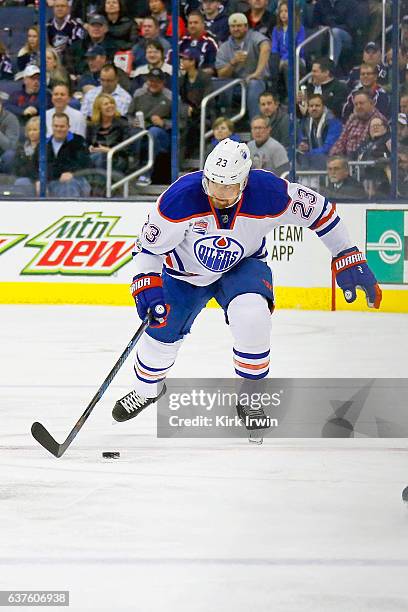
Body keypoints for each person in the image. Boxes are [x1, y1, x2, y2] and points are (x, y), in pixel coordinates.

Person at [111, 138, 382, 435]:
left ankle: (250, 397)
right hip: (183, 273)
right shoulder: (179, 198)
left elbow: (320, 211)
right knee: (159, 336)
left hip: (242, 266)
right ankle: (147, 391)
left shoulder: (269, 192)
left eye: (228, 187)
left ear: (244, 180)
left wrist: (345, 253)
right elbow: (147, 249)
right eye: (214, 184)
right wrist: (146, 283)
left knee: (252, 314)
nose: (219, 194)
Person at [215, 13, 270, 120]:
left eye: (239, 26)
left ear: (246, 26)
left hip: (258, 82)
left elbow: (266, 47)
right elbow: (221, 74)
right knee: (218, 85)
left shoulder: (254, 36)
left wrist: (257, 73)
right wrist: (233, 62)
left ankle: (255, 124)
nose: (236, 29)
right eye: (233, 26)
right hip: (236, 86)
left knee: (254, 83)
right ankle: (224, 126)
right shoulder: (224, 47)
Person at [127, 67, 172, 186]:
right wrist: (133, 122)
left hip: (162, 133)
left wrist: (163, 123)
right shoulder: (139, 94)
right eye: (151, 81)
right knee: (135, 133)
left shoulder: (170, 97)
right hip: (141, 129)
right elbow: (128, 115)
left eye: (157, 81)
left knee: (153, 133)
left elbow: (180, 122)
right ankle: (133, 170)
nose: (153, 84)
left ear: (163, 83)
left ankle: (146, 173)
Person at [33, 112, 91, 197]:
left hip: (75, 179)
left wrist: (72, 173)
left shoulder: (78, 141)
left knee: (68, 185)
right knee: (23, 183)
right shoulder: (43, 144)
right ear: (52, 126)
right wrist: (38, 180)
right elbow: (35, 166)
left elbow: (85, 163)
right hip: (50, 180)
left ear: (68, 127)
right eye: (56, 126)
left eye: (62, 126)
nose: (58, 129)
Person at [330, 91, 387, 159]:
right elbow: (341, 142)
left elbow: (375, 146)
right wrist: (333, 157)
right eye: (356, 104)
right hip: (347, 161)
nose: (358, 106)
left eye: (361, 103)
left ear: (371, 104)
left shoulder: (378, 120)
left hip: (366, 161)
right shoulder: (352, 119)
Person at [179, 48, 213, 158]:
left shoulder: (205, 78)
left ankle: (189, 155)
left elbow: (208, 100)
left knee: (194, 126)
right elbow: (181, 99)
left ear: (193, 61)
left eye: (185, 59)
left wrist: (194, 110)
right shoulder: (182, 80)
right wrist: (185, 108)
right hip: (188, 115)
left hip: (204, 114)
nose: (182, 62)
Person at [87, 93, 129, 173]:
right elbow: (87, 143)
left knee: (101, 157)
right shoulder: (92, 125)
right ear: (99, 109)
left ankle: (99, 184)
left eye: (112, 103)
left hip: (117, 158)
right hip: (96, 156)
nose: (110, 106)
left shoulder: (123, 123)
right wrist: (90, 148)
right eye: (106, 104)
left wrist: (109, 150)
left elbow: (127, 149)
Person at [298, 93, 342, 169]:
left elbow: (328, 148)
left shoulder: (333, 122)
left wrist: (309, 152)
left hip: (330, 160)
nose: (314, 108)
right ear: (308, 108)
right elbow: (301, 140)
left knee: (318, 158)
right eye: (311, 106)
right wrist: (302, 146)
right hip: (312, 159)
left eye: (317, 106)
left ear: (324, 107)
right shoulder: (305, 123)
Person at [270, 1, 305, 97]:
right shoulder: (276, 29)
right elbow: (274, 48)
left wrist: (284, 59)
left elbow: (299, 49)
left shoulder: (299, 28)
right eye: (281, 11)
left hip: (297, 60)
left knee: (287, 64)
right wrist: (277, 60)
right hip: (279, 61)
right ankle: (274, 96)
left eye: (286, 11)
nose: (283, 14)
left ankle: (292, 98)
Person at [356, 115, 391, 197]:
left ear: (385, 128)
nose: (375, 128)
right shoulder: (365, 144)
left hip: (382, 181)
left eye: (378, 125)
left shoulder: (389, 140)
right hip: (363, 179)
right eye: (372, 126)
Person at [178, 11, 219, 75]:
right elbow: (169, 62)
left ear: (203, 24)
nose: (192, 25)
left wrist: (193, 74)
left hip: (202, 80)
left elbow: (213, 69)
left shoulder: (210, 42)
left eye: (195, 23)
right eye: (190, 23)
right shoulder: (182, 42)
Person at [12, 116, 40, 197]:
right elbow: (17, 168)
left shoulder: (46, 147)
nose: (32, 133)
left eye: (35, 130)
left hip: (42, 179)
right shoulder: (20, 149)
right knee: (21, 182)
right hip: (26, 178)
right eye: (29, 130)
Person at [0, 97, 20, 174]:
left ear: (1, 104)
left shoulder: (11, 119)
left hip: (2, 156)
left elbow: (11, 146)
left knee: (10, 155)